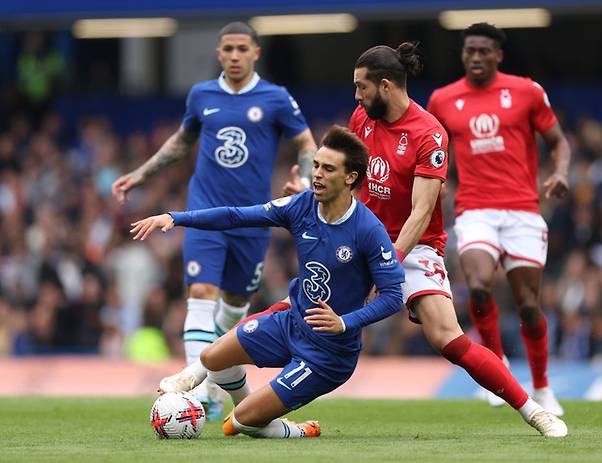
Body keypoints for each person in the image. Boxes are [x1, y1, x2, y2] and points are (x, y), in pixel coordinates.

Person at [287, 42, 567, 437]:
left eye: (361, 87)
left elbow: (421, 213)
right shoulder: (361, 119)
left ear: (385, 86)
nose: (356, 96)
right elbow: (343, 177)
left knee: (447, 338)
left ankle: (532, 410)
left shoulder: (429, 133)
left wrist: (387, 263)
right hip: (361, 237)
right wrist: (306, 190)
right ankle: (212, 375)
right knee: (298, 305)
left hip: (413, 247)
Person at [131, 125, 405, 439]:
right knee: (211, 358)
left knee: (238, 425)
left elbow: (394, 296)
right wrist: (176, 218)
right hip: (291, 324)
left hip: (329, 355)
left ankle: (291, 429)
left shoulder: (368, 229)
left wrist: (344, 323)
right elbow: (235, 216)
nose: (316, 174)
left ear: (350, 178)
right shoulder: (301, 206)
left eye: (328, 169)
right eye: (315, 165)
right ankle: (252, 406)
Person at [111, 22, 317, 419]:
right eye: (228, 49)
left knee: (235, 304)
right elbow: (182, 140)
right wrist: (142, 173)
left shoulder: (275, 98)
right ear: (219, 53)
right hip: (205, 210)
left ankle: (215, 372)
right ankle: (200, 395)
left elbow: (307, 145)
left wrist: (305, 180)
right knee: (202, 291)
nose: (235, 56)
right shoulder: (201, 95)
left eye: (242, 49)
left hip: (253, 217)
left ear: (256, 52)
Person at [426, 23, 570, 415]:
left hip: (523, 210)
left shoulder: (526, 91)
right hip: (475, 210)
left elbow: (559, 142)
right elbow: (431, 147)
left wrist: (560, 173)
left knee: (527, 305)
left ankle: (541, 385)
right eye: (469, 51)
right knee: (477, 286)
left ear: (498, 55)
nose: (475, 57)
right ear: (463, 54)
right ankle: (497, 364)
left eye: (483, 51)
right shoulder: (443, 99)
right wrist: (432, 184)